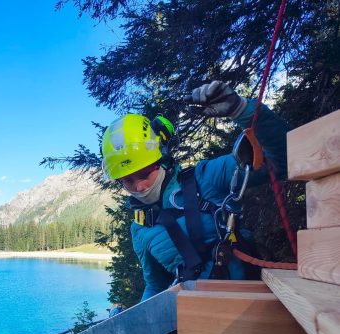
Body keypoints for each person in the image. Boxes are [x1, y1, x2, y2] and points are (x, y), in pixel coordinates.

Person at [101, 81, 290, 301]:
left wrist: (241, 110)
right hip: (198, 314)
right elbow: (155, 284)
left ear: (160, 159)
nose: (139, 187)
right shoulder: (140, 227)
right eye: (127, 181)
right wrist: (138, 324)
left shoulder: (205, 178)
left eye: (144, 174)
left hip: (250, 301)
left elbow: (281, 161)